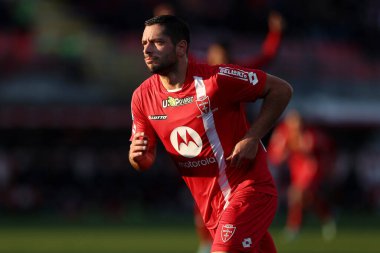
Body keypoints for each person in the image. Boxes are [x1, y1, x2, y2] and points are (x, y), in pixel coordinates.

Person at [129, 15, 293, 253]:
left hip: (250, 189)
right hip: (211, 206)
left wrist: (252, 137)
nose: (147, 49)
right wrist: (136, 156)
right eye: (144, 43)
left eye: (157, 42)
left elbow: (281, 90)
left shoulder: (216, 79)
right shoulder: (142, 98)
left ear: (181, 47)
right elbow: (144, 161)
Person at [267, 110, 337, 242]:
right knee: (308, 198)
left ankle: (293, 227)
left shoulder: (310, 134)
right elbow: (275, 155)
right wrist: (285, 153)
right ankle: (326, 215)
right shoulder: (282, 133)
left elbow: (319, 148)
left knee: (297, 193)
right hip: (296, 167)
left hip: (311, 167)